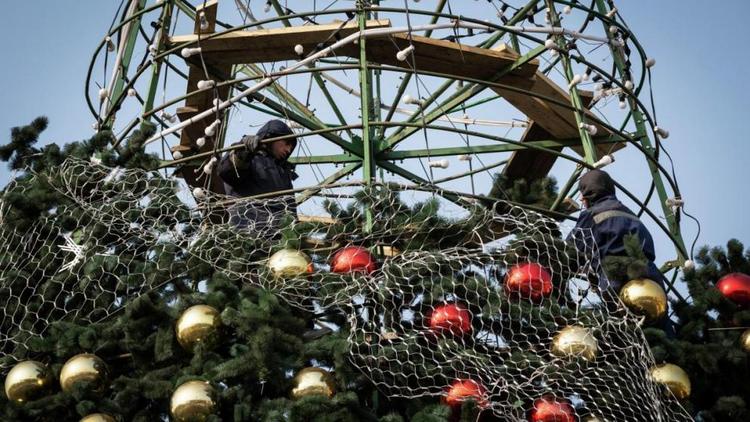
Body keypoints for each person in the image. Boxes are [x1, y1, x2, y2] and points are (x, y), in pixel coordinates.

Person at [218, 120, 299, 231]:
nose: (288, 150)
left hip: (278, 237)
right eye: (286, 143)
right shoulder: (251, 158)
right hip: (247, 229)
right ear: (271, 137)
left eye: (291, 147)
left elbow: (290, 209)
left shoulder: (283, 172)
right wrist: (243, 151)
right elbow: (228, 172)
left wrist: (295, 234)